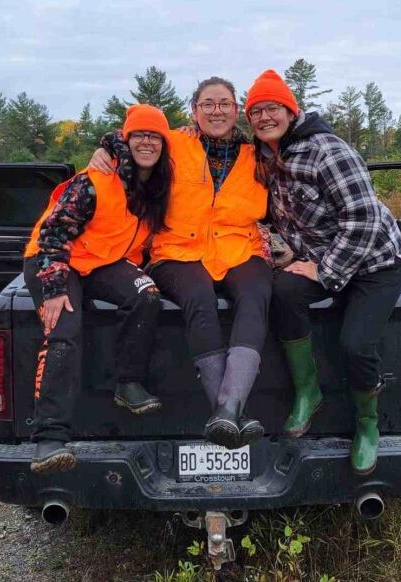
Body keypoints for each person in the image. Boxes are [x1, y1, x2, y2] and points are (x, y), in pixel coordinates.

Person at [244, 70, 401, 475]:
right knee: (282, 293)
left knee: (355, 343)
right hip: (322, 257)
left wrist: (324, 272)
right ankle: (308, 391)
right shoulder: (265, 154)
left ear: (291, 109)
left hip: (375, 262)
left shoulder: (326, 150)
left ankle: (367, 425)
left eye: (273, 108)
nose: (265, 117)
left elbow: (363, 219)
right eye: (256, 111)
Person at [90, 78, 272, 450]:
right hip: (176, 251)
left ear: (237, 111)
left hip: (239, 249)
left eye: (224, 103)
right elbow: (134, 134)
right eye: (207, 104)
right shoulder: (174, 142)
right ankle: (227, 411)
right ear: (194, 111)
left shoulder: (259, 155)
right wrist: (106, 148)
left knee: (256, 296)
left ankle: (227, 410)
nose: (216, 111)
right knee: (199, 298)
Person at [23, 104, 173, 474]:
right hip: (54, 260)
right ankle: (49, 437)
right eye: (138, 134)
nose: (146, 142)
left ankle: (128, 382)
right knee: (65, 330)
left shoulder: (157, 186)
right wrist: (55, 287)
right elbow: (53, 233)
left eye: (154, 135)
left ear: (164, 144)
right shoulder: (94, 180)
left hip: (101, 262)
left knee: (146, 295)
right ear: (127, 138)